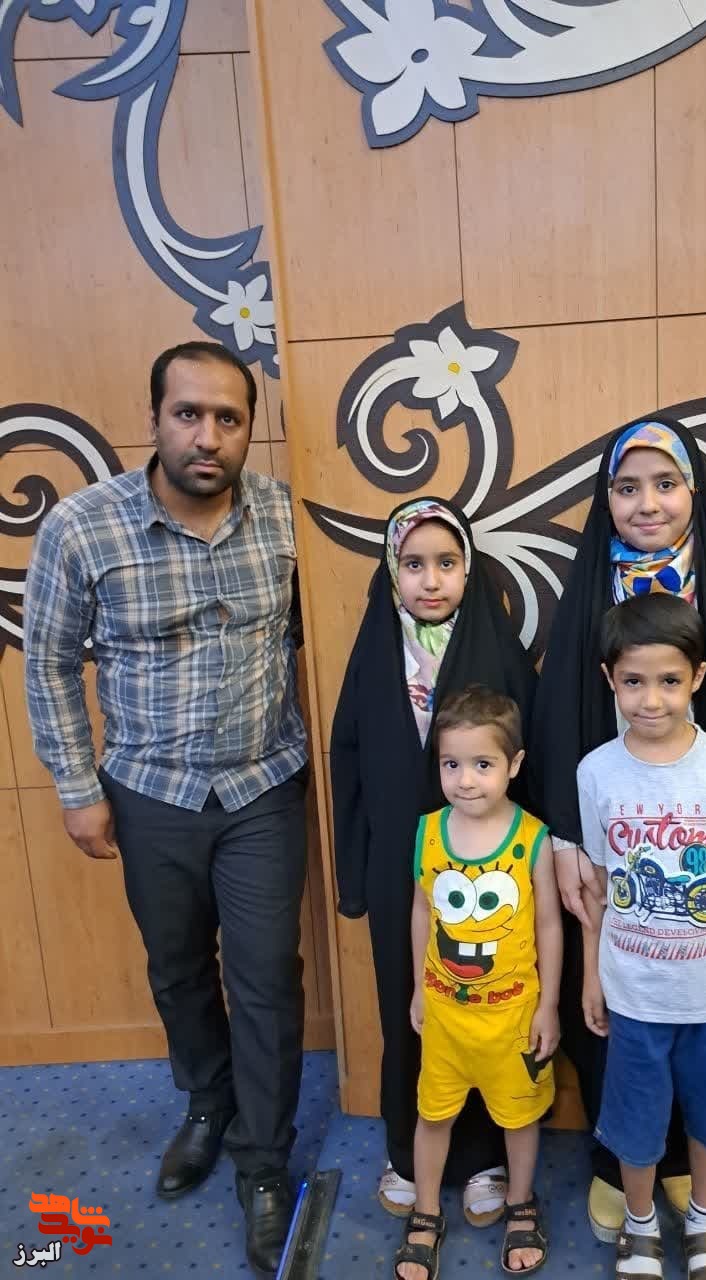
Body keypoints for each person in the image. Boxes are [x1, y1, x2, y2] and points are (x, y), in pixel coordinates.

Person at [23, 341, 308, 1279]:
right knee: (180, 970)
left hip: (264, 786)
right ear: (153, 419)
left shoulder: (283, 516)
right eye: (189, 414)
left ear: (249, 429)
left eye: (229, 418)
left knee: (266, 979)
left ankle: (263, 1162)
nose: (208, 436)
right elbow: (50, 665)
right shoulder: (82, 528)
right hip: (150, 792)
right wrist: (77, 790)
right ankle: (208, 1103)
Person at [528, 417, 706, 1239]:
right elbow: (559, 722)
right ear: (606, 499)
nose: (646, 503)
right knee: (615, 1007)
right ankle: (619, 1168)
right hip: (615, 844)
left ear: (695, 491)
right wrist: (565, 837)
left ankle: (695, 1168)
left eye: (665, 484)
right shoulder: (592, 588)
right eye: (627, 488)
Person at [331, 498, 539, 1226]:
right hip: (401, 872)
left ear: (468, 570)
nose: (430, 579)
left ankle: (482, 1159)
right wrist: (354, 874)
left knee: (486, 1012)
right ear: (392, 573)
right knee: (411, 1007)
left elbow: (533, 762)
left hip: (490, 872)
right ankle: (405, 1147)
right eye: (413, 564)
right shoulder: (375, 650)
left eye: (446, 563)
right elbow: (349, 761)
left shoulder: (496, 649)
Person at [578, 594, 706, 1280]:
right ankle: (640, 1224)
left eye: (669, 680)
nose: (651, 699)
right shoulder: (596, 772)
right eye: (633, 681)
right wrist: (590, 975)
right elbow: (597, 888)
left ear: (698, 677)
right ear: (610, 679)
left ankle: (705, 1220)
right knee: (634, 1120)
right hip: (633, 992)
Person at [395, 686, 561, 1279]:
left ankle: (520, 1204)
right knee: (432, 1115)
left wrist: (548, 1007)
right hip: (445, 1016)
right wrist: (419, 987)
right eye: (451, 764)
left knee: (519, 1118)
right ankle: (425, 1211)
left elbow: (549, 925)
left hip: (513, 1017)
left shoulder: (533, 838)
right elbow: (422, 911)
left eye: (482, 764)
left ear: (514, 765)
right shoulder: (427, 832)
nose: (465, 780)